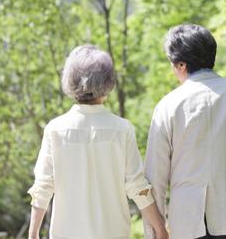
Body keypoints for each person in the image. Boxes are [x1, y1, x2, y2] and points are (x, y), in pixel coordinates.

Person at [144, 24, 226, 239]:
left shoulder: (168, 105)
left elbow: (155, 177)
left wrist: (155, 231)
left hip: (187, 223)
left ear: (181, 64)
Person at [27, 45, 168, 239]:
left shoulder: (55, 129)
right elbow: (137, 186)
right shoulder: (122, 129)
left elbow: (42, 187)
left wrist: (33, 233)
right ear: (108, 82)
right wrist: (160, 227)